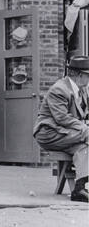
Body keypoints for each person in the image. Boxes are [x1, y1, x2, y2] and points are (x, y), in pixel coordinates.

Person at [34, 55, 89, 203]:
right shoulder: (59, 89)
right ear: (80, 75)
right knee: (86, 136)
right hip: (49, 132)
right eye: (88, 75)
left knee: (83, 147)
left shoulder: (82, 90)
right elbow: (62, 118)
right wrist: (85, 128)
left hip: (67, 133)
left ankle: (80, 188)